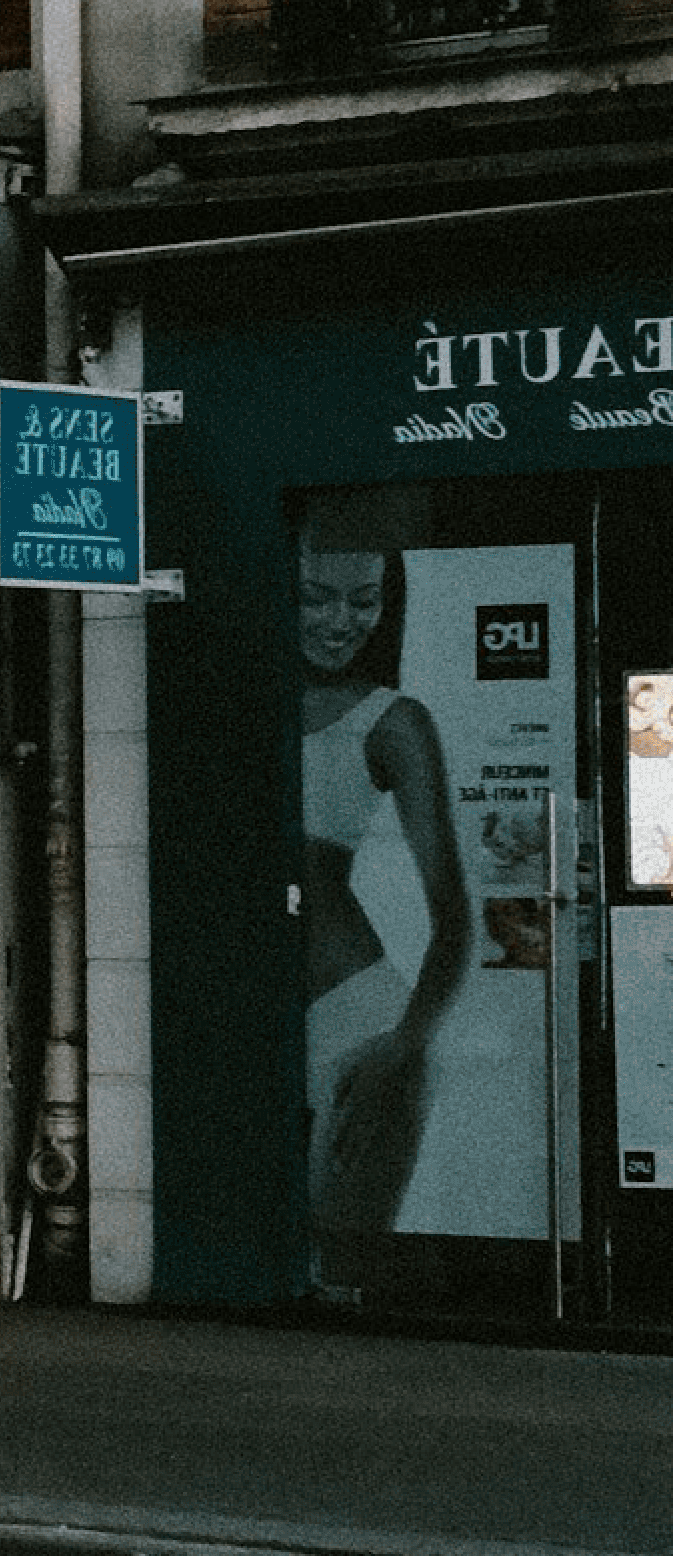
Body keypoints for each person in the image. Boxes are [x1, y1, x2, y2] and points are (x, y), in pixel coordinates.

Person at [300, 549, 472, 1303]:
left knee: (341, 1273)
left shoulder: (395, 721)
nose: (342, 623)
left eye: (363, 601)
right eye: (316, 596)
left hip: (356, 1021)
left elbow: (455, 921)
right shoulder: (234, 694)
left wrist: (399, 1048)